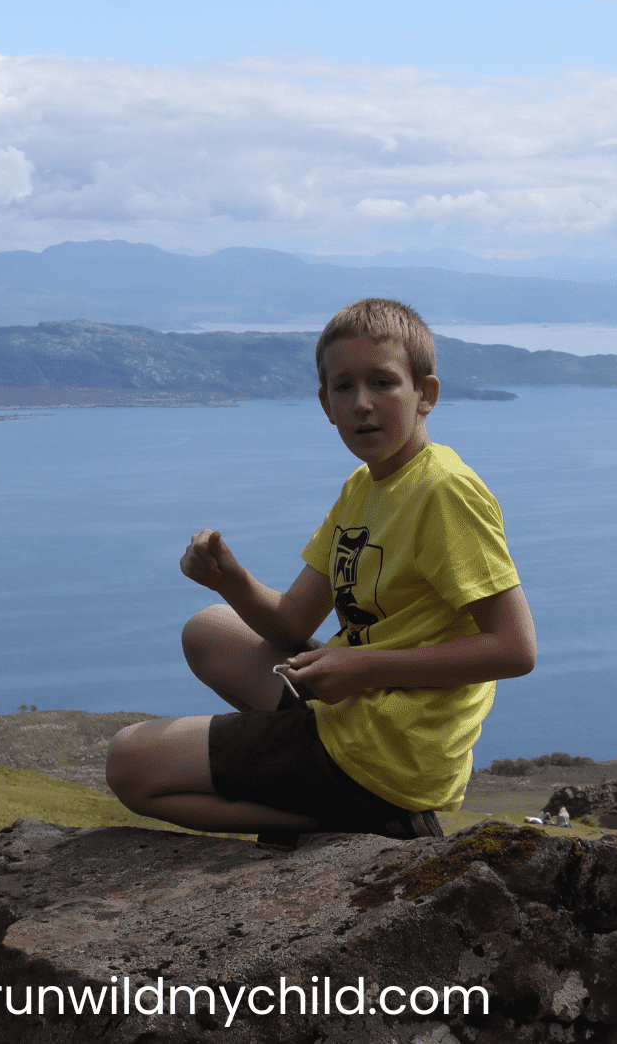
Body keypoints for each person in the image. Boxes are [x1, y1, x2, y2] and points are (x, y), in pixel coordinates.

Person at [106, 298, 536, 842]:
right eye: (344, 387)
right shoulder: (366, 487)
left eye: (383, 383)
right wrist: (228, 578)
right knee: (208, 629)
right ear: (325, 403)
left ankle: (340, 821)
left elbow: (515, 649)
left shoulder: (443, 491)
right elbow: (291, 623)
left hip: (389, 750)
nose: (362, 405)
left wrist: (363, 668)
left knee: (130, 763)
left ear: (425, 394)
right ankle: (326, 788)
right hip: (355, 704)